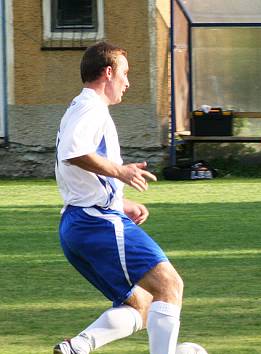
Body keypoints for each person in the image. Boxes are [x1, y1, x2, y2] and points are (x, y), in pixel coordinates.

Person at [53, 42, 184, 354]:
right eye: (125, 73)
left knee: (142, 304)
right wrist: (121, 172)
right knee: (169, 285)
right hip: (94, 222)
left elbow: (73, 166)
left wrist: (119, 201)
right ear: (108, 73)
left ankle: (77, 347)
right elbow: (73, 153)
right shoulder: (90, 108)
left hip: (80, 222)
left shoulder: (81, 107)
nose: (128, 82)